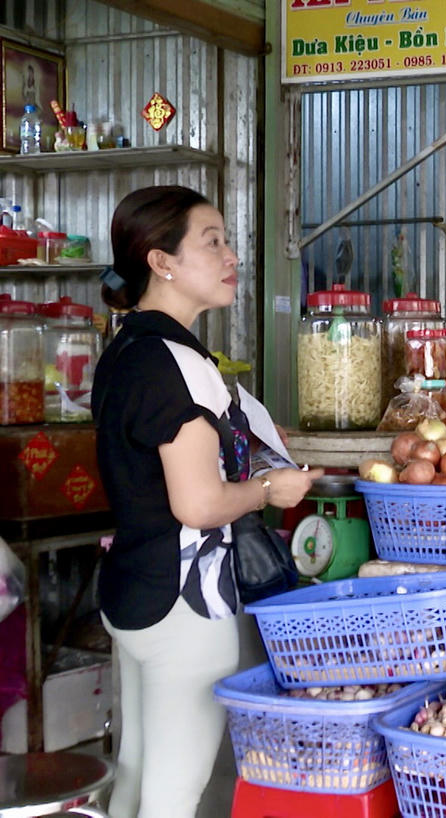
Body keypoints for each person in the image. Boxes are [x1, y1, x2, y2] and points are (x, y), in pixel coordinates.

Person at [91, 186, 319, 818]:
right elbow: (198, 504)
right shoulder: (179, 364)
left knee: (136, 777)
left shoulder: (126, 349)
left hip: (131, 592)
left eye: (228, 239)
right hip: (184, 607)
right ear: (162, 261)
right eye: (211, 241)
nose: (230, 255)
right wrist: (272, 489)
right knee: (173, 797)